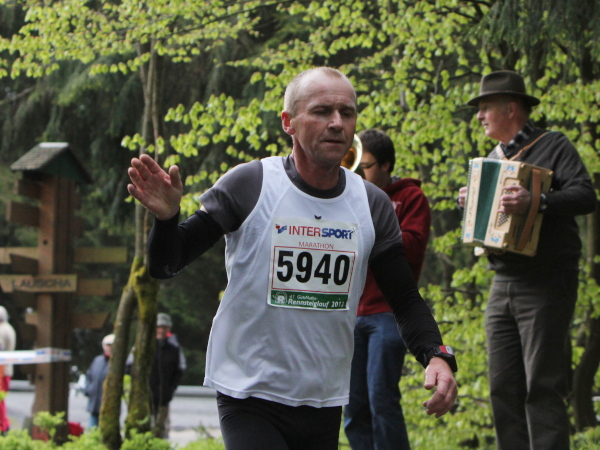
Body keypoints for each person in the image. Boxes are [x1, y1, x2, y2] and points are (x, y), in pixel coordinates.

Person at [128, 66, 458, 450]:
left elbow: (403, 298)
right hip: (249, 391)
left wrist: (436, 355)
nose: (337, 123)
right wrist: (167, 220)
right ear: (289, 122)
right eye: (322, 111)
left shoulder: (372, 204)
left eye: (347, 113)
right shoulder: (251, 184)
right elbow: (166, 264)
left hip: (323, 397)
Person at [457, 70, 597, 449]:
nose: (479, 116)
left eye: (486, 107)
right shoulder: (492, 159)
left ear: (512, 109)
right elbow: (490, 222)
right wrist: (469, 201)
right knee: (502, 387)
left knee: (542, 385)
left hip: (548, 280)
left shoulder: (553, 145)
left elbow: (586, 195)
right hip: (502, 282)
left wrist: (537, 201)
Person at [344, 129, 431, 450]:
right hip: (351, 312)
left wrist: (372, 223)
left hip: (387, 313)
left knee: (381, 399)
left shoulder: (411, 198)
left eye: (365, 166)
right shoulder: (348, 194)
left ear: (386, 165)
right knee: (352, 405)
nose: (358, 173)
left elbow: (413, 248)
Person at [150, 312, 186, 439]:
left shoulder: (174, 349)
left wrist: (171, 388)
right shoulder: (145, 346)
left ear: (168, 329)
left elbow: (180, 369)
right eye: (159, 327)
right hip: (146, 396)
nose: (161, 330)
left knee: (162, 427)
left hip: (164, 396)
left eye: (164, 327)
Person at [84, 333, 114, 428]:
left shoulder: (117, 363)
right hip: (94, 404)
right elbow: (89, 376)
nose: (109, 348)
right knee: (92, 430)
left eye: (112, 345)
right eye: (108, 345)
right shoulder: (97, 360)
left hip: (108, 406)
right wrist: (89, 389)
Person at [0, 306, 15, 435]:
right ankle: (4, 424)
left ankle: (3, 425)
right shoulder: (9, 328)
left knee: (0, 399)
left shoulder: (1, 330)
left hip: (1, 370)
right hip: (7, 369)